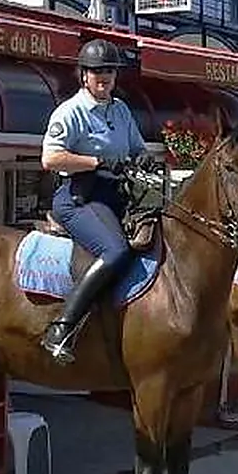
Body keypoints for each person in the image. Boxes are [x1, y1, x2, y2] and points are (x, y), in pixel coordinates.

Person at [38, 38, 149, 363]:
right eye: (97, 72)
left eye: (110, 72)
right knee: (116, 251)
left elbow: (136, 148)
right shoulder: (70, 111)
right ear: (83, 75)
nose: (104, 78)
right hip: (79, 197)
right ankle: (62, 328)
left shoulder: (120, 109)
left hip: (118, 194)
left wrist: (141, 159)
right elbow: (50, 158)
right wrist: (97, 163)